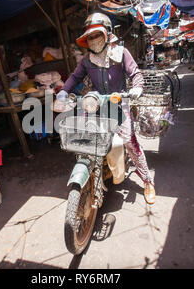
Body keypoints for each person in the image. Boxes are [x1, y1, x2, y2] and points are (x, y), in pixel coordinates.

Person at [56, 12, 156, 205]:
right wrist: (63, 91)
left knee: (128, 141)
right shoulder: (87, 60)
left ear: (107, 34)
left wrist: (137, 88)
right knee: (82, 134)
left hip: (119, 102)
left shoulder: (121, 53)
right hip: (95, 104)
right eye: (90, 37)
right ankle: (92, 171)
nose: (93, 40)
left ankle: (148, 181)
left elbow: (135, 73)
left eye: (96, 35)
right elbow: (75, 77)